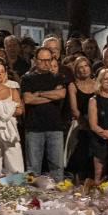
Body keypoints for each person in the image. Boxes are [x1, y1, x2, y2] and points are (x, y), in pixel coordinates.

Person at [20, 47, 68, 179]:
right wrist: (51, 95)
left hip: (55, 127)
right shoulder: (27, 78)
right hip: (34, 127)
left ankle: (58, 195)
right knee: (33, 168)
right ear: (35, 60)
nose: (46, 63)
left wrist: (39, 93)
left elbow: (61, 94)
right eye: (43, 60)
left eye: (49, 60)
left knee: (57, 167)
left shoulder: (58, 77)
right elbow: (28, 99)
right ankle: (34, 197)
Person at [66, 58, 99, 179]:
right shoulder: (73, 86)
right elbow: (75, 110)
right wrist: (85, 122)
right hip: (82, 127)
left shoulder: (97, 84)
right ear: (76, 70)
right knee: (80, 161)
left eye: (86, 66)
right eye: (81, 67)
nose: (84, 69)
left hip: (97, 127)